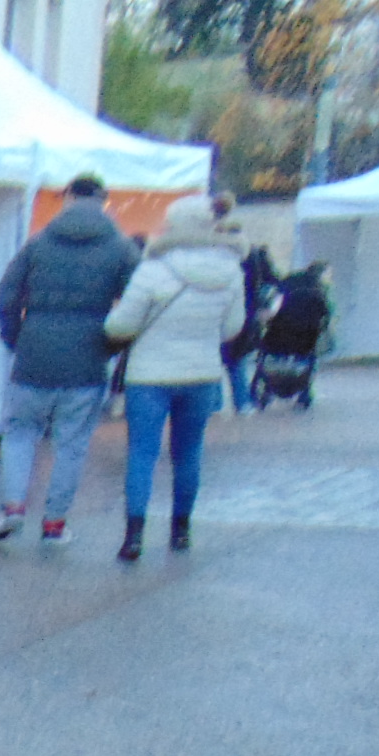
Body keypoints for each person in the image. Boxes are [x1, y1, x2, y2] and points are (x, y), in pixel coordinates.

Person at [0, 173, 138, 547]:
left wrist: (16, 338)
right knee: (71, 444)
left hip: (33, 354)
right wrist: (112, 345)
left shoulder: (38, 243)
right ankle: (54, 524)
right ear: (104, 201)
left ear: (68, 198)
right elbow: (135, 305)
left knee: (20, 433)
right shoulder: (121, 248)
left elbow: (7, 294)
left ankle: (12, 508)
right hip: (87, 359)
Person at [103, 194, 242, 561]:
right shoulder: (231, 271)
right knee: (189, 452)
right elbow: (232, 328)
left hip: (149, 376)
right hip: (202, 374)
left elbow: (122, 325)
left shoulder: (152, 270)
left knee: (142, 453)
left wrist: (111, 324)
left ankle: (134, 536)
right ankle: (181, 531)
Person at [211, 192, 277, 414]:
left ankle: (214, 404)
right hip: (244, 310)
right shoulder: (252, 251)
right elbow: (267, 281)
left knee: (213, 358)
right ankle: (242, 403)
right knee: (237, 359)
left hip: (215, 308)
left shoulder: (210, 247)